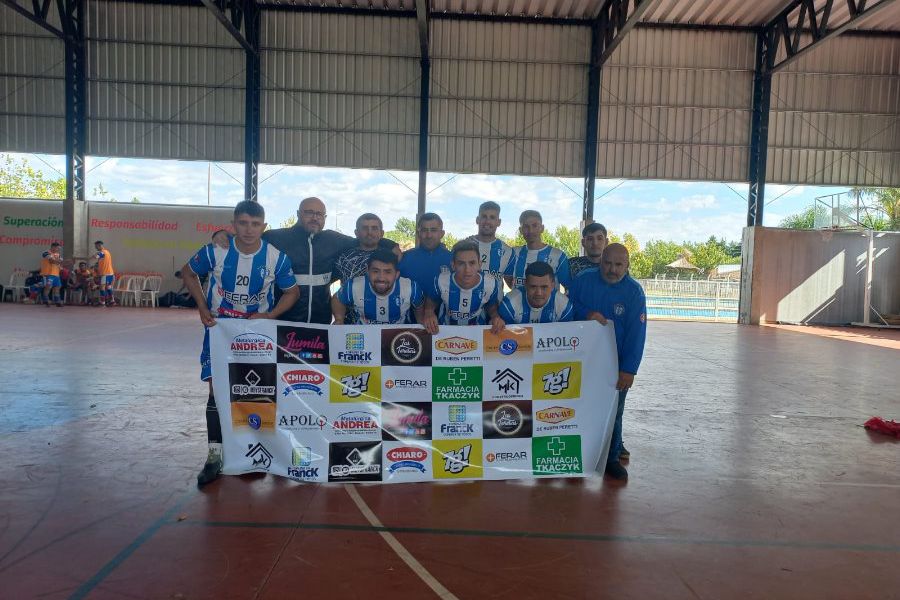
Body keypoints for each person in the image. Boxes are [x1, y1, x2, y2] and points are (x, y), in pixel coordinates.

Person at [181, 200, 300, 487]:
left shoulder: (275, 257)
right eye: (243, 223)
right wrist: (201, 306)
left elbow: (292, 292)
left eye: (255, 224)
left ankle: (264, 452)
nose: (248, 230)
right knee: (217, 391)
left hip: (257, 333)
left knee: (258, 390)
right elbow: (188, 271)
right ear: (233, 225)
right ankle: (214, 455)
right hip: (220, 330)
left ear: (264, 227)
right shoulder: (217, 250)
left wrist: (270, 315)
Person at [569, 243, 647, 481]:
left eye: (618, 264)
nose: (612, 269)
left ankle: (611, 458)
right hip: (581, 359)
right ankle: (577, 456)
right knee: (578, 407)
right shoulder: (582, 280)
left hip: (616, 364)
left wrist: (629, 369)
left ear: (627, 266)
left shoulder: (634, 292)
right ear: (600, 261)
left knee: (614, 411)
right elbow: (567, 307)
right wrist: (586, 314)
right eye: (608, 263)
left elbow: (637, 333)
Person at [263, 197, 396, 323]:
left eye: (319, 214)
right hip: (283, 321)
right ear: (298, 214)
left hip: (321, 322)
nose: (315, 218)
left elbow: (364, 239)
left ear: (325, 218)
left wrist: (392, 245)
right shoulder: (275, 237)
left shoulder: (333, 239)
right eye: (309, 212)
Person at [421, 240, 504, 334]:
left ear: (479, 265)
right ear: (453, 265)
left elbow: (491, 306)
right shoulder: (441, 280)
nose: (467, 270)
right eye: (461, 263)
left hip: (477, 331)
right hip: (445, 330)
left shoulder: (491, 283)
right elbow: (431, 300)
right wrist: (429, 312)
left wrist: (495, 316)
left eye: (472, 263)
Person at [331, 248, 427, 325]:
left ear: (397, 274)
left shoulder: (410, 287)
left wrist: (420, 323)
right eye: (375, 271)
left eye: (388, 272)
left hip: (397, 337)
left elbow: (419, 306)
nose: (381, 277)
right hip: (364, 337)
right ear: (367, 271)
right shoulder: (354, 286)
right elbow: (337, 299)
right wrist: (339, 319)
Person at [505, 210, 571, 289]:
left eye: (535, 225)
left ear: (542, 228)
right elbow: (509, 280)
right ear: (520, 230)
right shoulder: (512, 253)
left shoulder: (558, 256)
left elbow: (568, 287)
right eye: (526, 226)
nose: (531, 231)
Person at [498, 261, 574, 324]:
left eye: (544, 287)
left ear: (553, 285)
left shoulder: (564, 306)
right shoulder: (509, 304)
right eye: (533, 287)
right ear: (525, 285)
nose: (538, 293)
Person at [399, 212, 452, 294]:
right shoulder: (405, 258)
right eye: (424, 230)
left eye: (433, 230)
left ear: (442, 234)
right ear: (418, 233)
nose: (429, 235)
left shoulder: (452, 259)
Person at [468, 201, 514, 282]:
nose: (487, 221)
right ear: (477, 220)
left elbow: (511, 285)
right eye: (484, 216)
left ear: (498, 222)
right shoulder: (464, 246)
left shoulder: (508, 251)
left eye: (492, 217)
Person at [39, 242, 63, 307]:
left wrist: (61, 265)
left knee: (57, 287)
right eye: (57, 248)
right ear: (53, 247)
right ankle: (46, 300)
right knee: (48, 286)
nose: (58, 249)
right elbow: (51, 261)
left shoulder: (58, 254)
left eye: (59, 248)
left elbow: (60, 262)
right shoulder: (46, 253)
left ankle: (57, 301)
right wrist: (59, 261)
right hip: (48, 273)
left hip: (56, 274)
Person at [93, 240, 116, 306]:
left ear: (99, 245)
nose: (95, 247)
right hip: (110, 272)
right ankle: (112, 301)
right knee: (108, 287)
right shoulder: (107, 252)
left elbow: (95, 257)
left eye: (96, 246)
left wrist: (94, 255)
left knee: (102, 287)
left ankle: (102, 302)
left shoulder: (102, 252)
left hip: (105, 273)